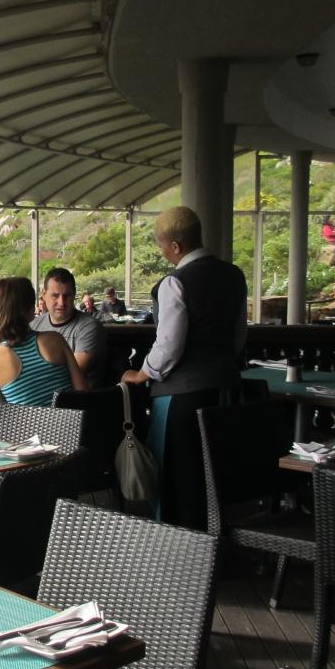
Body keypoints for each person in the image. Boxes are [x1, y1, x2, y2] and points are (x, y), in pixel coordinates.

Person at [121, 206, 247, 530]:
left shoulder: (174, 283)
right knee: (213, 474)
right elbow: (238, 336)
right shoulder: (234, 275)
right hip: (226, 390)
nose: (161, 251)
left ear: (175, 246)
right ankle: (215, 540)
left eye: (161, 244)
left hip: (181, 396)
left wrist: (143, 373)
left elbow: (169, 345)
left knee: (175, 477)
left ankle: (177, 546)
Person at [0, 277, 85, 406]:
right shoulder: (55, 340)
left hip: (24, 420)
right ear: (30, 310)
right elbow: (82, 392)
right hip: (71, 419)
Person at [31, 267, 105, 387]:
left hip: (76, 397)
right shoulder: (34, 325)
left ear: (74, 295)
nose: (61, 303)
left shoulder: (90, 327)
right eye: (55, 296)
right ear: (44, 295)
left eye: (67, 296)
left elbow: (72, 375)